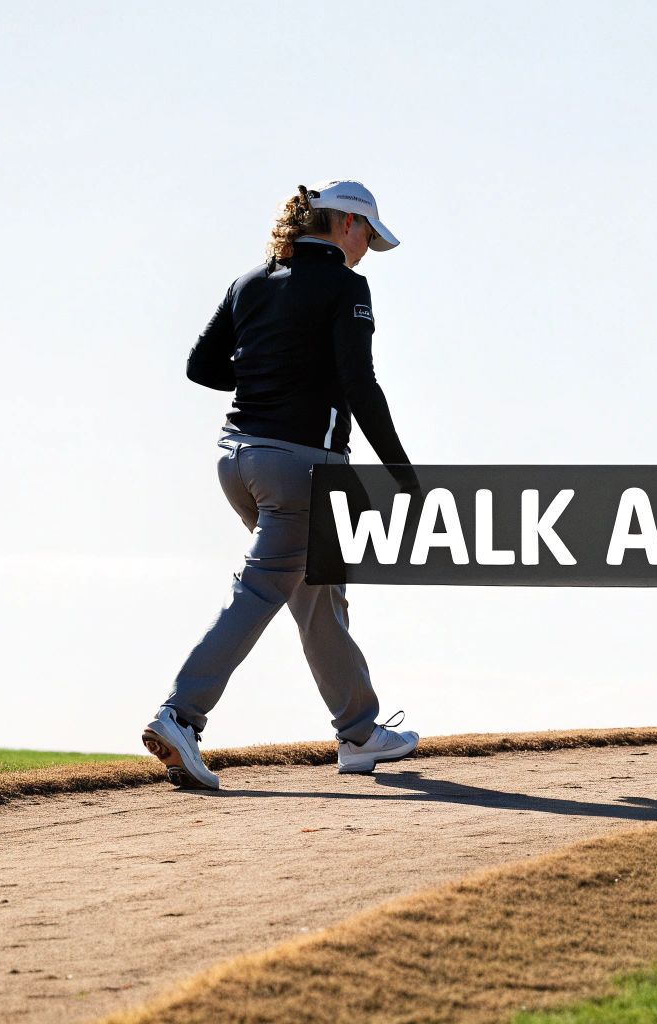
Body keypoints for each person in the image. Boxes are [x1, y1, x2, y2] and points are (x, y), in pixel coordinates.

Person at [141, 180, 422, 790]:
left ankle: (359, 733)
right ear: (346, 224)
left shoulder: (249, 282)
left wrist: (273, 369)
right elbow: (360, 387)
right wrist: (402, 471)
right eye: (368, 235)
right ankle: (181, 716)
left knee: (318, 593)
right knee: (263, 589)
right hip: (302, 470)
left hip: (238, 461)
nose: (368, 249)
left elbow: (203, 366)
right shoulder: (346, 287)